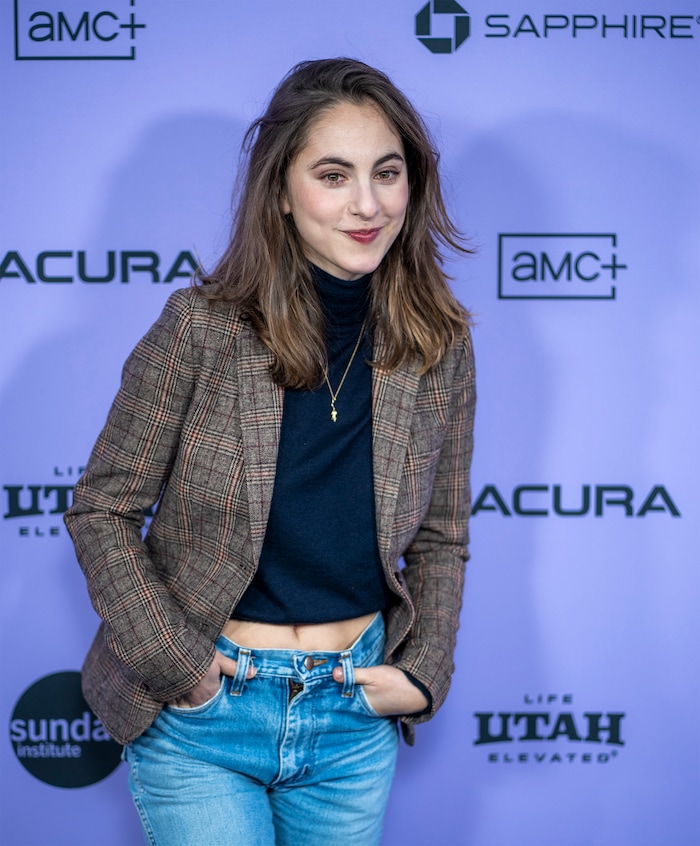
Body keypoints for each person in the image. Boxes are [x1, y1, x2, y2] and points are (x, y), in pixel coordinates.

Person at [65, 57, 475, 846]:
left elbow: (442, 537)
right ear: (281, 193)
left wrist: (424, 675)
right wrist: (179, 667)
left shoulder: (439, 346)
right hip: (206, 717)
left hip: (352, 716)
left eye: (387, 173)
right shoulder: (202, 328)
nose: (367, 203)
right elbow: (103, 509)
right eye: (334, 174)